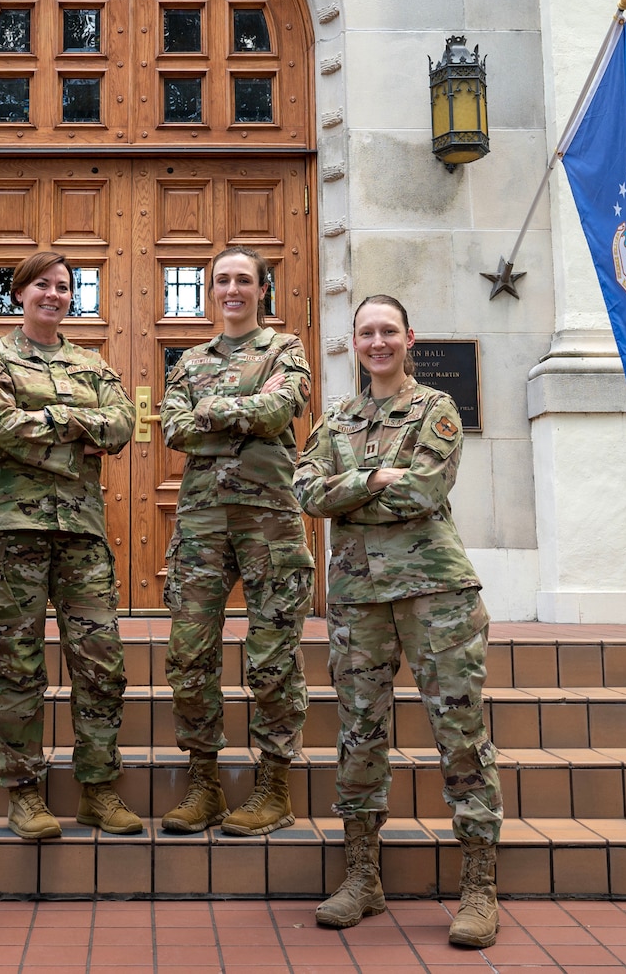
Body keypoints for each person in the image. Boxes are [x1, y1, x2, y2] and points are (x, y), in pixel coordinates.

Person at [295, 294, 501, 949]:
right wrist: (373, 477)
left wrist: (351, 490)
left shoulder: (435, 409)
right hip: (358, 598)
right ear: (353, 340)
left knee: (459, 730)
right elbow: (305, 490)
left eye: (388, 330)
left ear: (408, 337)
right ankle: (361, 875)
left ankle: (478, 884)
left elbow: (424, 489)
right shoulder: (336, 419)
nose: (377, 341)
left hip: (435, 592)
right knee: (359, 733)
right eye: (366, 331)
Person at [0, 250, 140, 840]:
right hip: (10, 532)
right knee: (17, 666)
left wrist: (46, 420)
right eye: (42, 285)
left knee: (101, 662)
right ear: (20, 293)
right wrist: (73, 431)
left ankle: (97, 788)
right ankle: (24, 792)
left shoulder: (92, 364)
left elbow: (120, 427)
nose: (54, 295)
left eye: (64, 287)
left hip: (81, 531)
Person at [157, 244, 315, 836]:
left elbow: (281, 410)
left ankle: (274, 787)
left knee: (273, 658)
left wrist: (214, 412)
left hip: (270, 522)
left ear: (261, 289)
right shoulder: (189, 359)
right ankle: (205, 784)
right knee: (189, 655)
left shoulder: (286, 349)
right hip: (200, 524)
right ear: (209, 291)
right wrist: (242, 412)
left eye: (243, 280)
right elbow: (172, 427)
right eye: (221, 280)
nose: (232, 290)